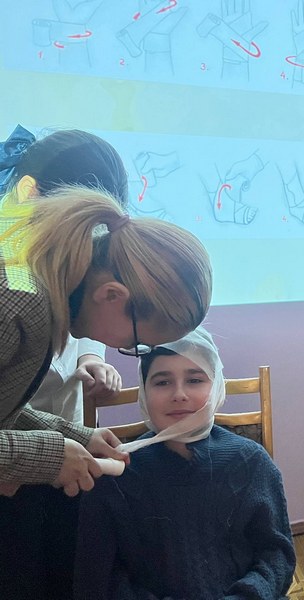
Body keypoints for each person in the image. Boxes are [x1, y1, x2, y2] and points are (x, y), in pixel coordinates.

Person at [0, 184, 212, 598]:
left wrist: (77, 436)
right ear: (112, 295)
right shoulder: (18, 305)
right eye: (137, 343)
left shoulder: (37, 284)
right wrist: (47, 456)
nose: (124, 350)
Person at [75, 328, 296, 599]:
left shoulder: (252, 463)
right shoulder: (116, 474)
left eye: (194, 380)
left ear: (216, 387)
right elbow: (99, 577)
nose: (179, 394)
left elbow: (277, 553)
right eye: (162, 382)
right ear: (144, 391)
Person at [0, 125, 130, 423]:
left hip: (59, 416)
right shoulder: (13, 286)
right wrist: (54, 445)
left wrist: (90, 354)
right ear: (29, 192)